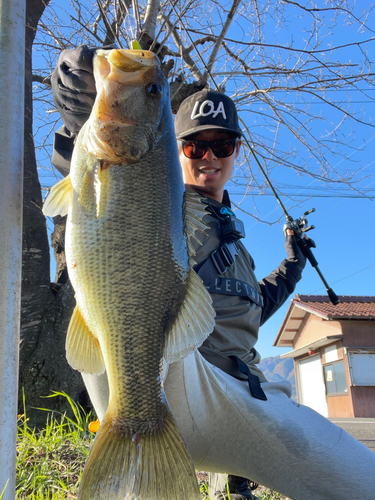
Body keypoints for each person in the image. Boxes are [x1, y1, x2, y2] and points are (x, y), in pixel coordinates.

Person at [50, 46, 375, 500]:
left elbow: (250, 311)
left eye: (221, 145)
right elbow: (98, 196)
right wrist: (78, 119)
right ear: (174, 149)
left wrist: (292, 266)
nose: (208, 156)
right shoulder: (166, 203)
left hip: (251, 393)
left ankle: (233, 475)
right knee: (122, 337)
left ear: (236, 150)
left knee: (364, 480)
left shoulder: (235, 240)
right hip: (183, 383)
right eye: (194, 144)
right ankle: (136, 462)